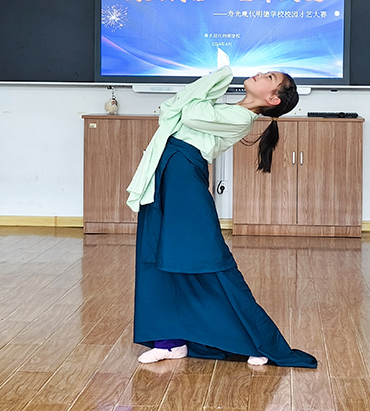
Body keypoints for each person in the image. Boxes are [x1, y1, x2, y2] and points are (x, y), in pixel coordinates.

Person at [125, 62, 317, 368]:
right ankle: (169, 342)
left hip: (184, 179)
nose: (259, 74)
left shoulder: (240, 118)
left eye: (269, 77)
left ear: (273, 99)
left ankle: (252, 341)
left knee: (208, 258)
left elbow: (188, 113)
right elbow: (172, 108)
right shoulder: (225, 108)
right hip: (167, 173)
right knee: (158, 253)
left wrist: (218, 76)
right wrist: (215, 81)